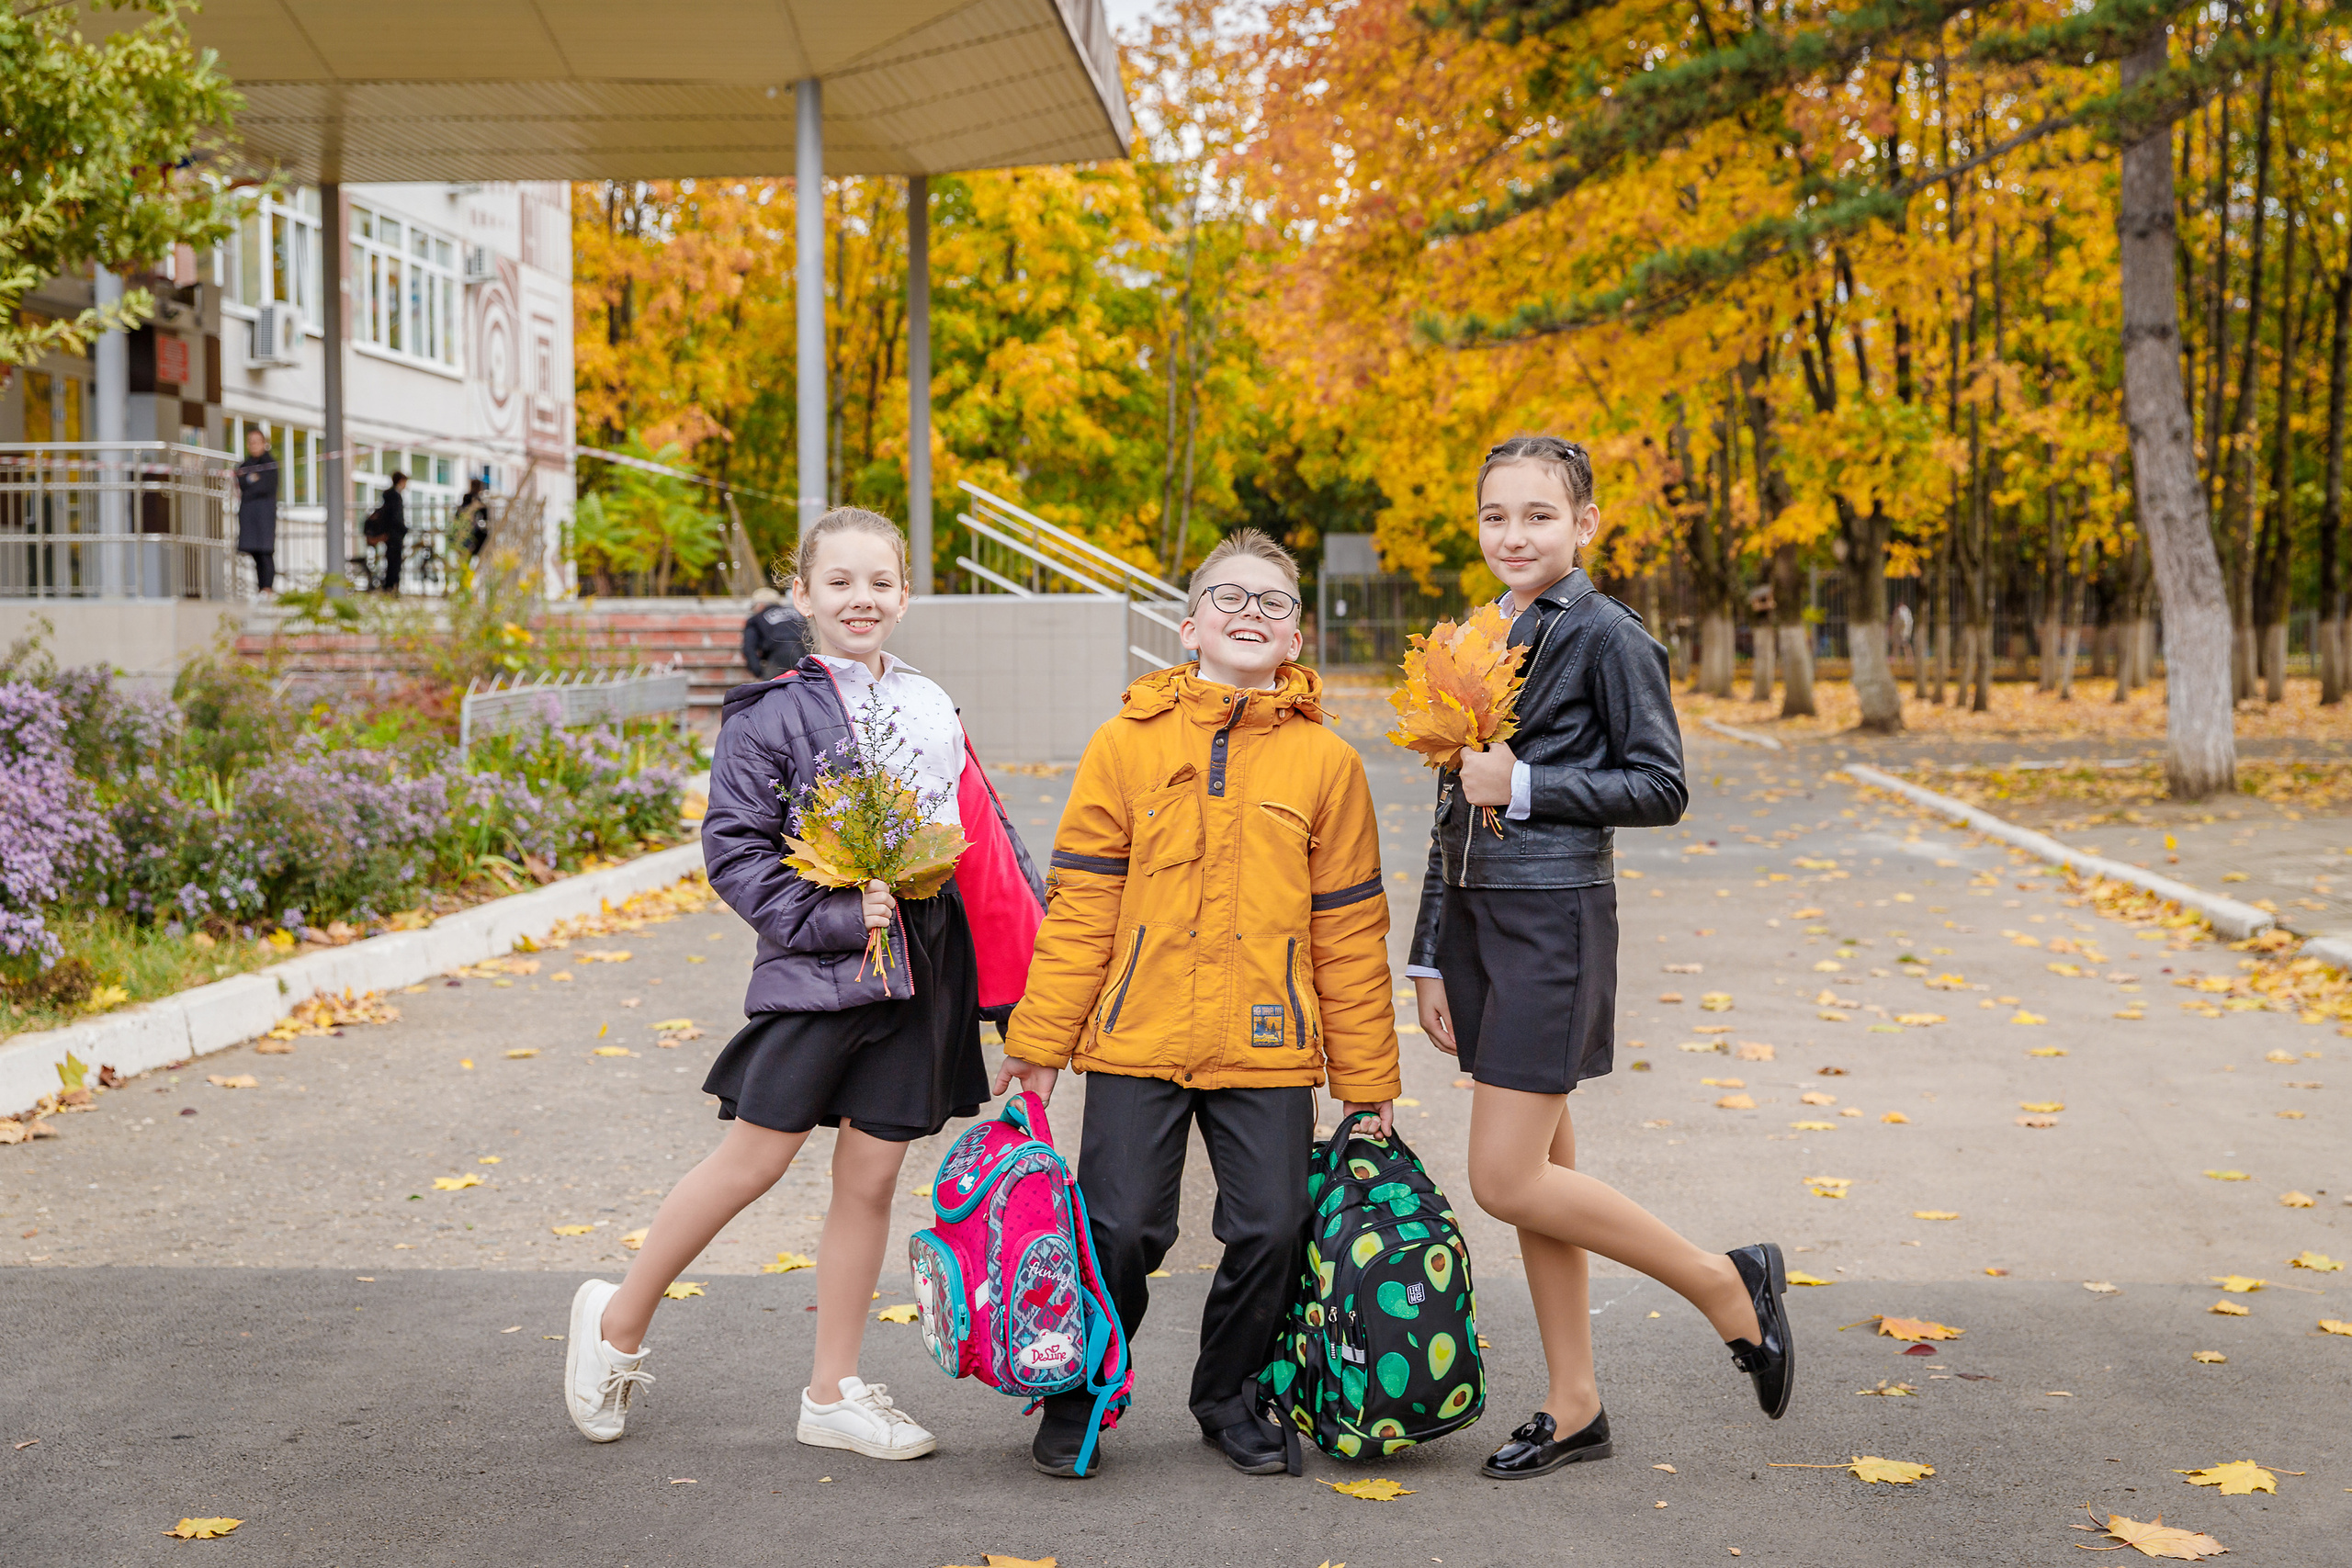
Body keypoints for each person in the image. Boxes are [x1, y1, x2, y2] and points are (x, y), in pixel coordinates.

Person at [564, 506, 1041, 1463]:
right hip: (821, 969)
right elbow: (733, 851)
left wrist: (1015, 1005)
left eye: (880, 583)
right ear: (802, 594)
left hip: (922, 971)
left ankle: (832, 1392)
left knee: (871, 1178)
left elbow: (981, 854)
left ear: (904, 594)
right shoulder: (771, 712)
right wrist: (835, 918)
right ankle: (615, 1324)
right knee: (754, 1160)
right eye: (840, 583)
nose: (861, 599)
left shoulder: (932, 704)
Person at [1408, 435, 1793, 1481]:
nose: (1513, 534)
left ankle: (1724, 1282)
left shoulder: (1608, 635)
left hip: (1553, 925)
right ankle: (1575, 1404)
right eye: (1495, 515)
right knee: (1542, 1177)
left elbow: (1660, 786)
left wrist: (1525, 787)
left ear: (1584, 524)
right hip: (1483, 931)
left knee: (1502, 1178)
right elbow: (1455, 794)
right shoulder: (1485, 631)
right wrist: (1430, 954)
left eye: (1538, 515)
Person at [998, 528, 1399, 1479]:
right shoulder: (1123, 746)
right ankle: (1080, 1388)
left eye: (1272, 604)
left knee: (1273, 1225)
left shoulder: (1327, 764)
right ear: (1188, 626)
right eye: (1230, 598)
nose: (1250, 614)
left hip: (1269, 1041)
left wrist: (1366, 1079)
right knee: (1121, 1225)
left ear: (1295, 639)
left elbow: (1348, 932)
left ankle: (1228, 1394)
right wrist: (1040, 1045)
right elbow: (1082, 907)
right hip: (1136, 1036)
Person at [233, 429, 277, 595]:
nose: (253, 445)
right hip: (249, 516)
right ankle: (261, 588)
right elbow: (243, 483)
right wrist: (252, 483)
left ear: (264, 443)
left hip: (264, 517)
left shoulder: (270, 464)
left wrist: (251, 484)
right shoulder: (245, 466)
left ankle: (267, 588)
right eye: (250, 441)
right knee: (255, 554)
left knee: (265, 553)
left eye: (256, 441)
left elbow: (264, 486)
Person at [742, 585, 812, 679]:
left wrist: (758, 671)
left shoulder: (756, 618)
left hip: (778, 659)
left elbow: (749, 648)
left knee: (771, 690)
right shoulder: (797, 613)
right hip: (805, 657)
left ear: (760, 605)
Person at [364, 471, 409, 592]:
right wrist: (404, 529)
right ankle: (391, 587)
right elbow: (396, 517)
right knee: (395, 563)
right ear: (401, 481)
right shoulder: (396, 497)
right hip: (394, 535)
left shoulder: (388, 496)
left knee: (391, 561)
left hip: (389, 534)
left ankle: (389, 586)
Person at [458, 476, 492, 559]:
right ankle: (477, 555)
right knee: (482, 536)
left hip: (469, 525)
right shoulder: (471, 498)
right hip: (468, 526)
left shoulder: (471, 497)